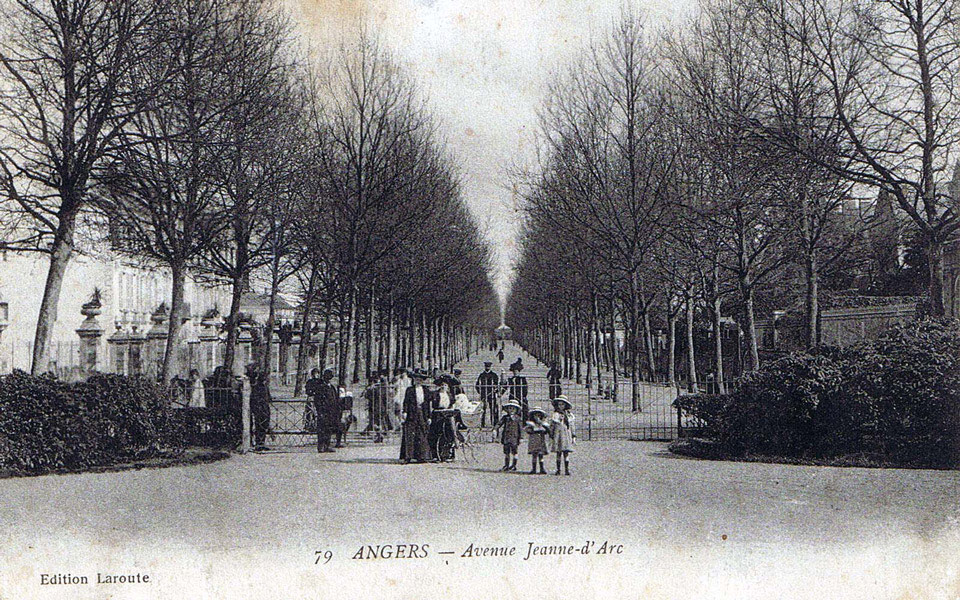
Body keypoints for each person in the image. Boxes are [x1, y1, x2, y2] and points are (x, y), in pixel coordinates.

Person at [399, 370, 432, 463]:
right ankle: (408, 456)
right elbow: (406, 402)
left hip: (422, 413)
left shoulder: (426, 390)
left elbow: (427, 404)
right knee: (410, 434)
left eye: (420, 379)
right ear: (414, 379)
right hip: (412, 413)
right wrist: (404, 412)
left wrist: (429, 417)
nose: (418, 381)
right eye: (417, 379)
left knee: (421, 433)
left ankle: (421, 456)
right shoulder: (409, 390)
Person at [311, 369, 339, 453]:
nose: (329, 379)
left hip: (332, 411)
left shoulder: (332, 387)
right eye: (328, 377)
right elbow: (317, 400)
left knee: (329, 429)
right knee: (322, 429)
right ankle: (321, 446)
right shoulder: (321, 387)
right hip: (323, 411)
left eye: (330, 377)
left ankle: (327, 445)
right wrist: (319, 411)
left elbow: (335, 399)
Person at [247, 366, 271, 450]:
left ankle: (260, 442)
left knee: (262, 425)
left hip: (263, 408)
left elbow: (269, 398)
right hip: (260, 409)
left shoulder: (261, 387)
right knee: (260, 425)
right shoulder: (259, 387)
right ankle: (258, 443)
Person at [551, 395, 576, 476]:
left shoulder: (569, 415)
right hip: (558, 435)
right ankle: (558, 469)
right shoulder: (556, 415)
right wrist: (551, 434)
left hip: (566, 434)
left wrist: (573, 436)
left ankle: (567, 469)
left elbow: (572, 426)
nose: (561, 406)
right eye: (559, 404)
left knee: (566, 452)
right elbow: (553, 425)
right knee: (558, 452)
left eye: (562, 404)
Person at [495, 400, 522, 471]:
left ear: (516, 410)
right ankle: (506, 465)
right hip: (506, 437)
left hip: (514, 438)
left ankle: (514, 465)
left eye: (513, 408)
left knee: (514, 452)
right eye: (510, 408)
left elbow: (520, 429)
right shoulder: (505, 417)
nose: (511, 410)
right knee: (506, 452)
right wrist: (495, 429)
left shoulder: (518, 419)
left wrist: (521, 437)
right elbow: (499, 423)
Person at [364, 371, 393, 436]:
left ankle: (380, 433)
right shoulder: (382, 388)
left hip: (375, 407)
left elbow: (367, 396)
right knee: (379, 420)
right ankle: (382, 432)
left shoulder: (374, 389)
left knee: (376, 421)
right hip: (380, 406)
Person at [525, 407, 550, 474]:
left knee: (541, 455)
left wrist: (543, 427)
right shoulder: (530, 424)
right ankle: (534, 468)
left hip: (541, 441)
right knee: (534, 455)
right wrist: (533, 429)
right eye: (535, 415)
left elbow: (547, 431)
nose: (537, 417)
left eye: (539, 415)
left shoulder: (543, 424)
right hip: (534, 441)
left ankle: (542, 468)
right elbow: (527, 430)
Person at [475, 361, 500, 427]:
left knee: (493, 409)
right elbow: (477, 385)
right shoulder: (482, 375)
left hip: (492, 395)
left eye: (488, 367)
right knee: (483, 409)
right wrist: (480, 392)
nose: (487, 368)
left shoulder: (494, 375)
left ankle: (494, 423)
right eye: (486, 367)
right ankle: (482, 423)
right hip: (484, 394)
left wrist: (495, 391)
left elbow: (497, 385)